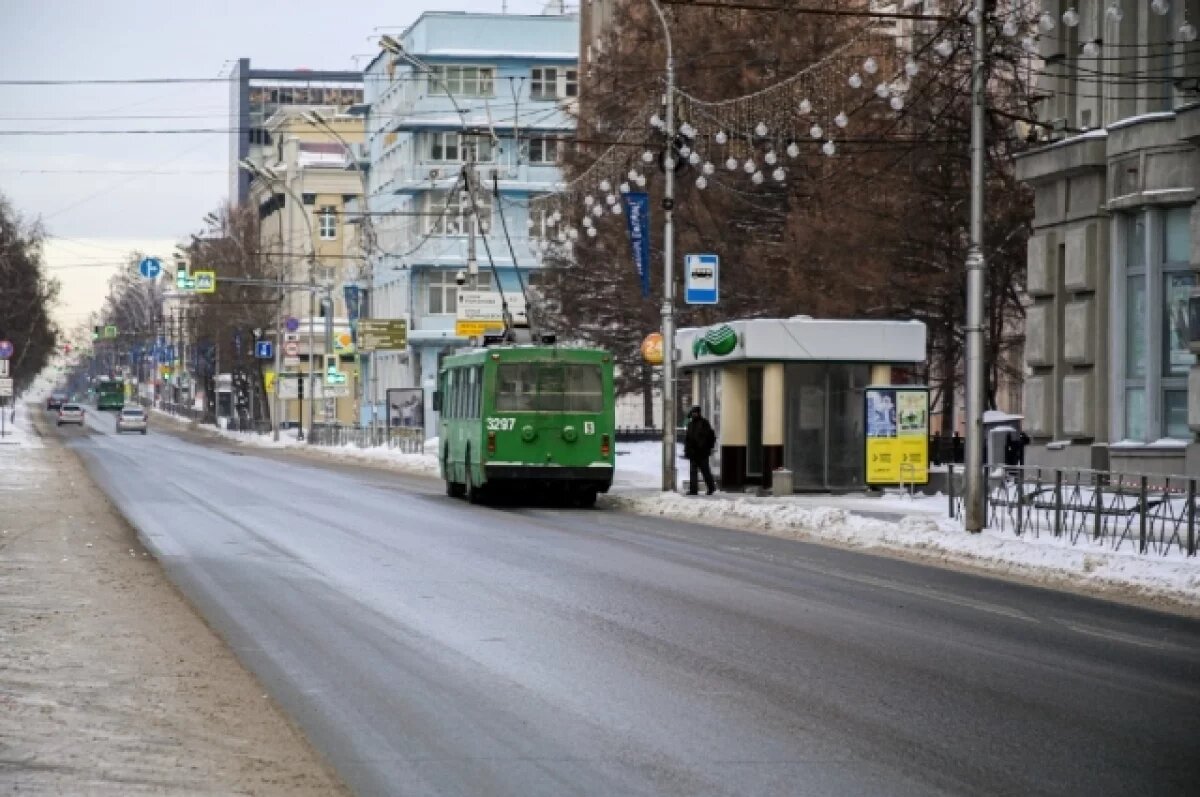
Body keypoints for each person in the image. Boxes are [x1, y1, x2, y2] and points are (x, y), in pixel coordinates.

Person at [684, 405, 717, 496]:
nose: (694, 414)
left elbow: (710, 436)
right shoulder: (690, 424)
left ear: (699, 413)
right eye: (693, 413)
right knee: (693, 472)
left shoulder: (704, 423)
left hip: (702, 453)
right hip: (693, 452)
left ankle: (711, 488)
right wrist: (687, 450)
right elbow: (688, 439)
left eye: (695, 412)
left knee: (705, 471)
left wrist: (707, 448)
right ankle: (693, 490)